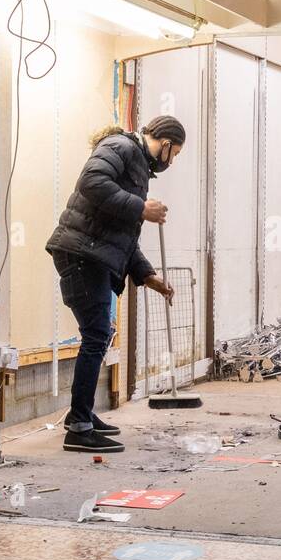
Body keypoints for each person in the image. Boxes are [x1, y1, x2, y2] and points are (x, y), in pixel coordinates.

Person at [45, 116, 183, 452]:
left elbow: (120, 237)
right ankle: (78, 427)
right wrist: (140, 207)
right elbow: (92, 181)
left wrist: (149, 276)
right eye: (174, 153)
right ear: (164, 143)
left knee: (99, 334)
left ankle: (83, 416)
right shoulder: (120, 147)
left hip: (92, 253)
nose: (172, 161)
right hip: (80, 253)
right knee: (97, 335)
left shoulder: (136, 165)